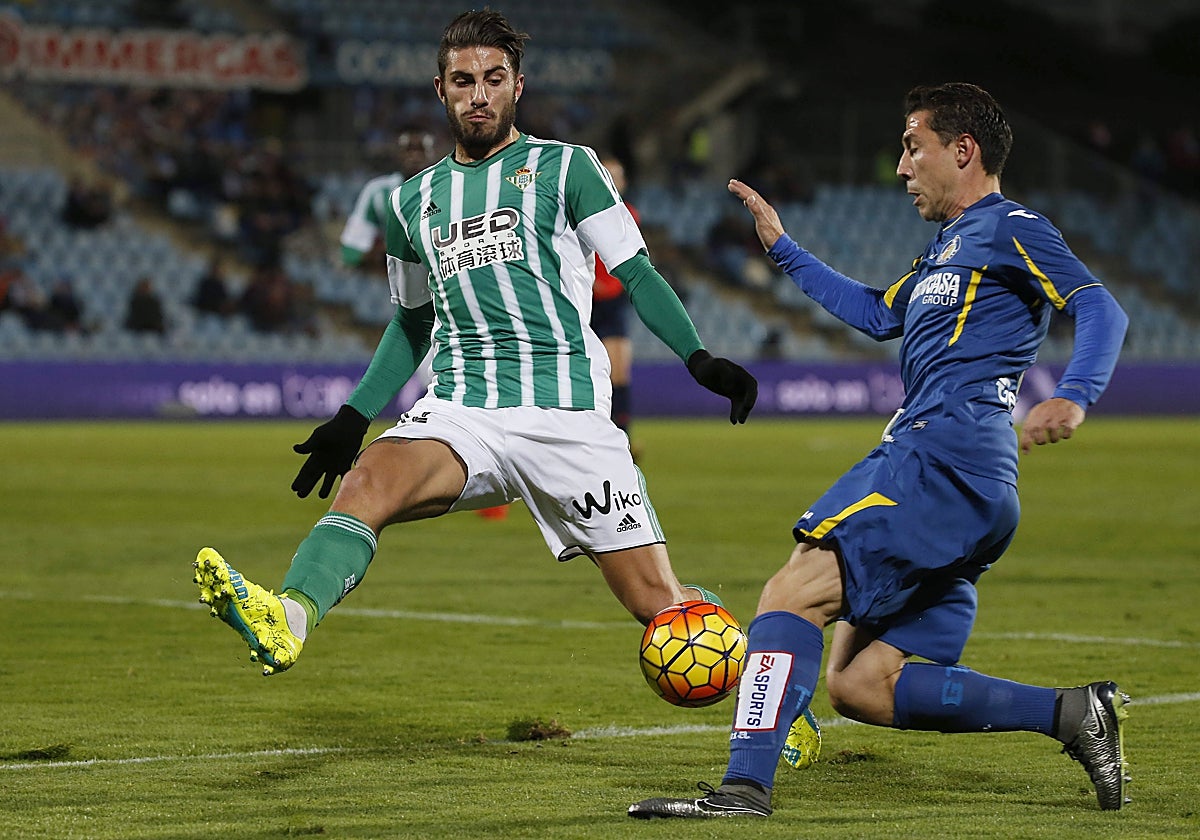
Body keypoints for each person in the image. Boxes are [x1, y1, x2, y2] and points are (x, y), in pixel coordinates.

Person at [193, 11, 757, 689]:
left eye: (493, 79)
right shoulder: (412, 202)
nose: (479, 94)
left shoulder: (568, 167)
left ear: (519, 84)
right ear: (441, 91)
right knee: (368, 479)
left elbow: (635, 271)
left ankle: (777, 693)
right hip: (465, 410)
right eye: (464, 81)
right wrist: (354, 415)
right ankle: (289, 616)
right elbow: (411, 323)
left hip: (567, 417)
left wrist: (700, 359)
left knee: (660, 610)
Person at [629, 82, 1131, 820]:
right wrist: (783, 248)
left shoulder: (1010, 226)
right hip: (972, 485)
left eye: (912, 145)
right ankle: (1071, 714)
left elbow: (1098, 305)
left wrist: (1075, 393)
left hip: (940, 459)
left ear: (963, 151)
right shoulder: (947, 251)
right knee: (861, 685)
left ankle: (742, 789)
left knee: (789, 593)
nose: (900, 166)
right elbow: (874, 312)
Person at [339, 126, 439, 271]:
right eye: (408, 149)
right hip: (391, 277)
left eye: (421, 149)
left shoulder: (450, 187)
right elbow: (352, 249)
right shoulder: (378, 191)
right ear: (398, 153)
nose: (415, 156)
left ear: (433, 152)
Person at [590, 155, 636, 440]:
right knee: (596, 374)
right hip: (586, 298)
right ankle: (599, 434)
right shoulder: (577, 212)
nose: (612, 181)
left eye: (616, 175)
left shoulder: (629, 213)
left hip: (613, 299)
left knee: (619, 372)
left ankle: (622, 436)